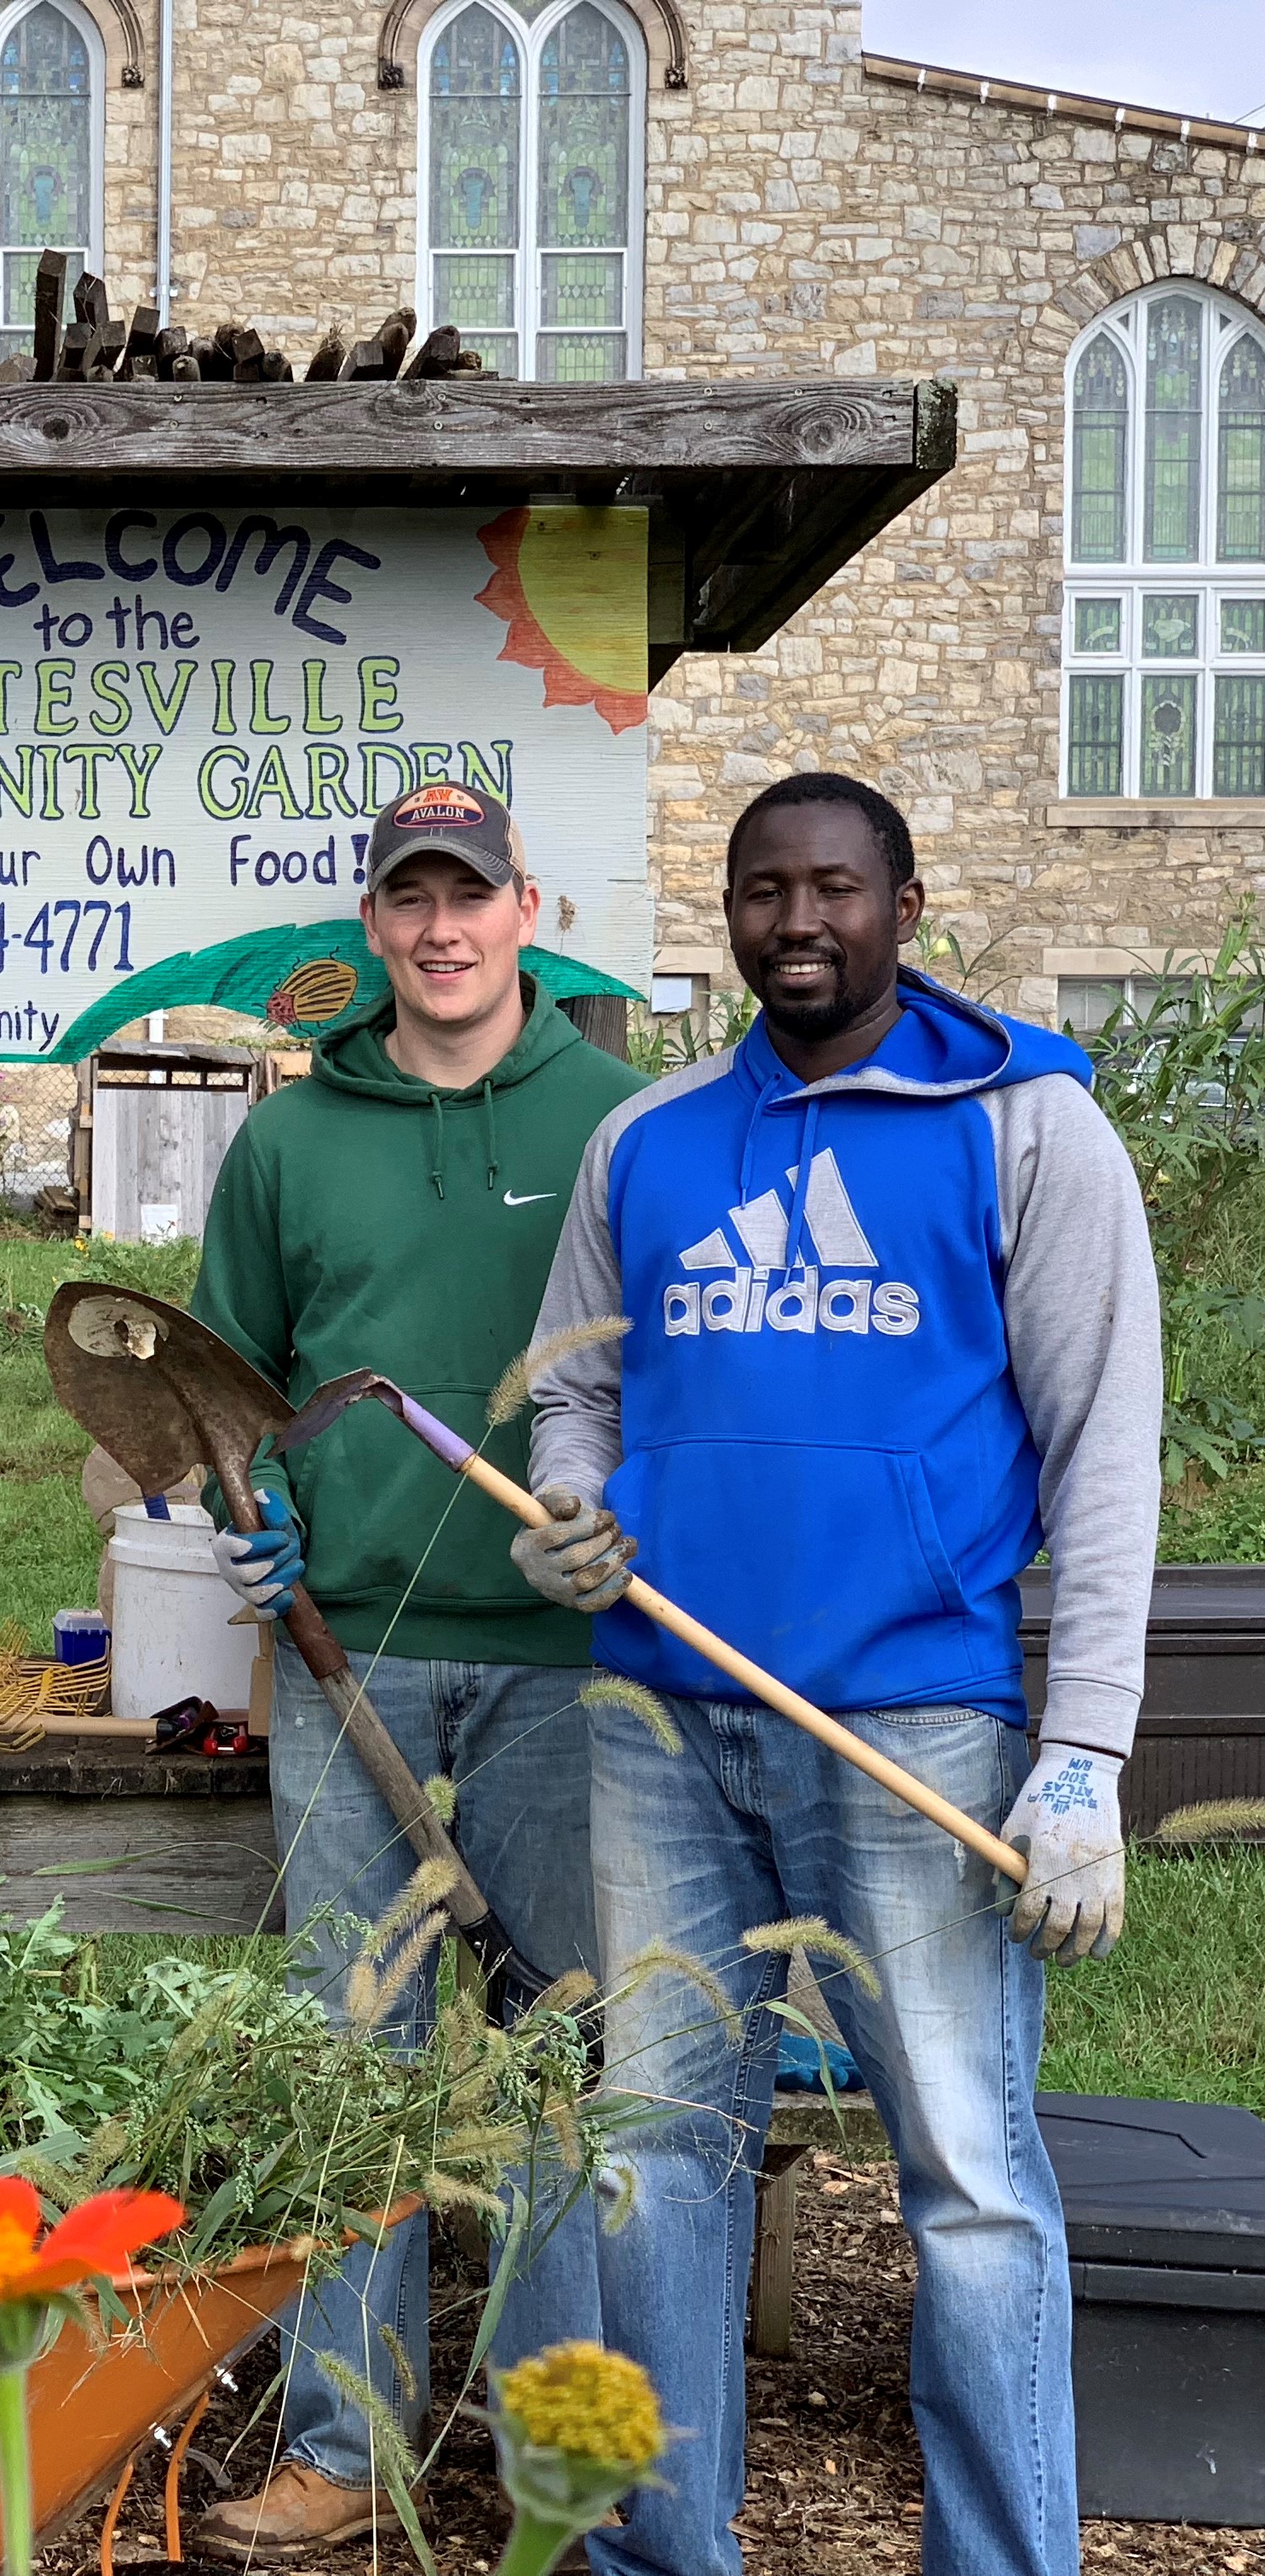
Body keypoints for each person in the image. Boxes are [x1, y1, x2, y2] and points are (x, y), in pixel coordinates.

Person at [520, 772, 1158, 2576]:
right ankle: (665, 2555)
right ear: (724, 915)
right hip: (658, 1721)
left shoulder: (1027, 1125)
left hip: (920, 1728)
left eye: (835, 889)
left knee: (966, 2185)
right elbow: (573, 1387)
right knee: (660, 2162)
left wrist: (1087, 1754)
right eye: (761, 891)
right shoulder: (644, 1140)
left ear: (904, 900)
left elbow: (1105, 1443)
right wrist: (569, 1504)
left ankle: (1003, 2559)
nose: (798, 922)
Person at [186, 782, 643, 2562]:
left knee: (552, 2065)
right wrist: (257, 1516)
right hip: (344, 1654)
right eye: (409, 901)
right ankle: (342, 2447)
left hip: (558, 1664)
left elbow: (671, 1378)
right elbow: (227, 1392)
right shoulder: (295, 1144)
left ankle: (554, 2454)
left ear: (529, 904)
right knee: (350, 2065)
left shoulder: (619, 1121)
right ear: (369, 928)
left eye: (471, 895)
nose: (441, 930)